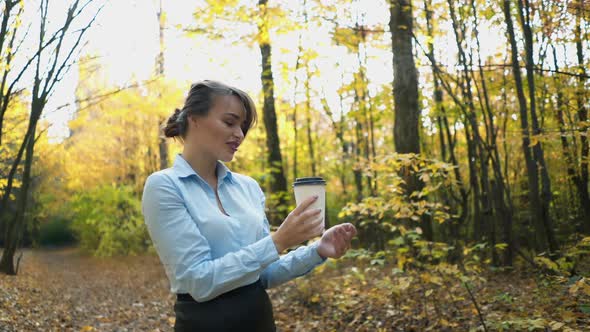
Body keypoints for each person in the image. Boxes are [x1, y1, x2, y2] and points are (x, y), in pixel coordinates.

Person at [141, 80, 357, 332]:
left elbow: (263, 274)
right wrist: (278, 241)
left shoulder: (248, 188)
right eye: (230, 122)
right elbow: (198, 282)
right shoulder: (164, 186)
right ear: (194, 119)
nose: (239, 135)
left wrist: (318, 250)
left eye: (242, 127)